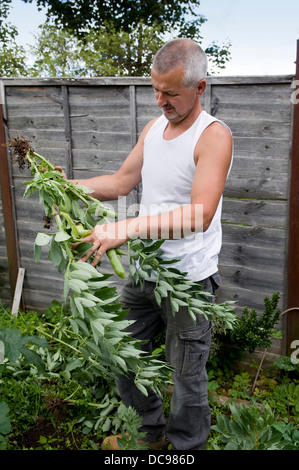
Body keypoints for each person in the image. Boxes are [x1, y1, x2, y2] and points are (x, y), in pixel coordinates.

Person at [68, 38, 233, 450]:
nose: (160, 101)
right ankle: (150, 435)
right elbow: (122, 182)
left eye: (170, 93)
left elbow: (200, 214)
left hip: (189, 280)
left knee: (186, 375)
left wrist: (125, 228)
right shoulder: (154, 128)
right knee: (123, 354)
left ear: (199, 88)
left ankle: (184, 449)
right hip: (147, 273)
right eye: (155, 90)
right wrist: (69, 187)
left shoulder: (213, 136)